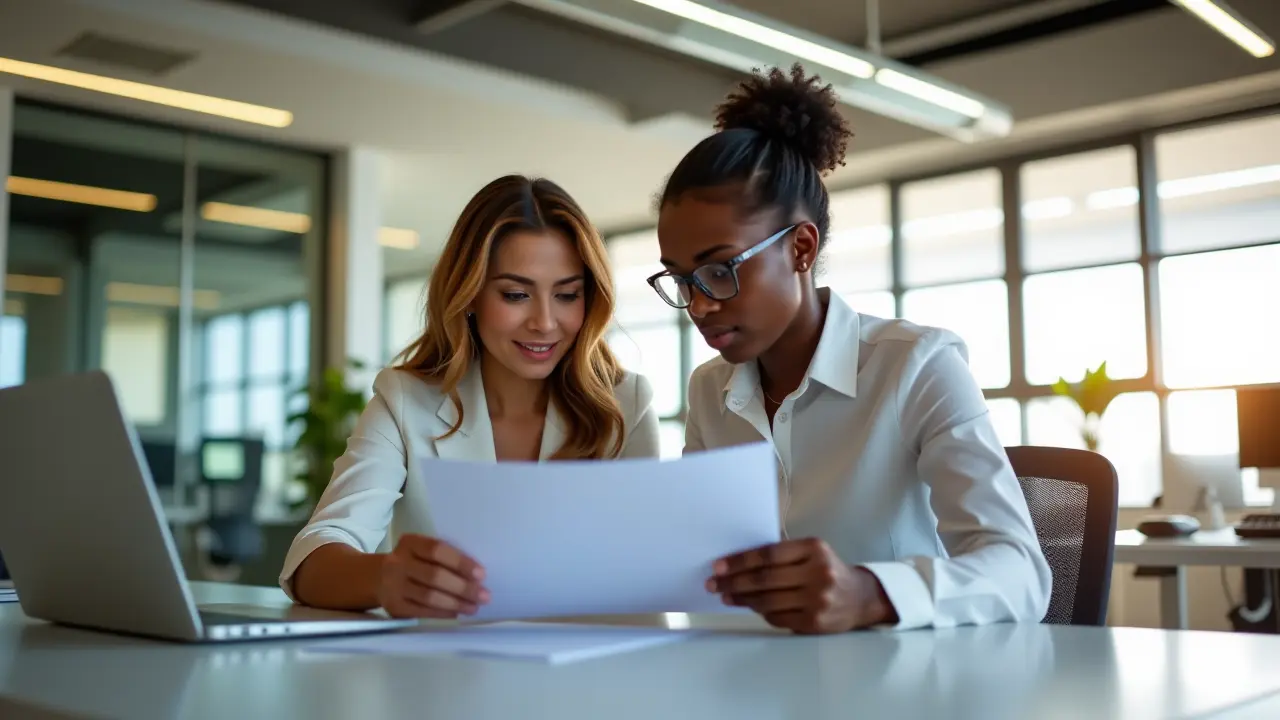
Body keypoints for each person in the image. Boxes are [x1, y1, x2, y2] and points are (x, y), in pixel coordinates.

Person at [649, 65, 1051, 635]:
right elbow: (700, 561)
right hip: (761, 683)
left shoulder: (916, 367)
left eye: (719, 270)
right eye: (682, 279)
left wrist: (871, 593)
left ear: (800, 248)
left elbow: (1022, 573)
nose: (699, 305)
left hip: (910, 685)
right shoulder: (709, 392)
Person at [281, 175, 661, 619]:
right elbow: (313, 558)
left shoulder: (626, 403)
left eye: (567, 295)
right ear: (469, 295)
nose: (544, 321)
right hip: (446, 676)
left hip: (591, 678)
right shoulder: (406, 400)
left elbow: (650, 573)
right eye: (516, 294)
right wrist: (385, 578)